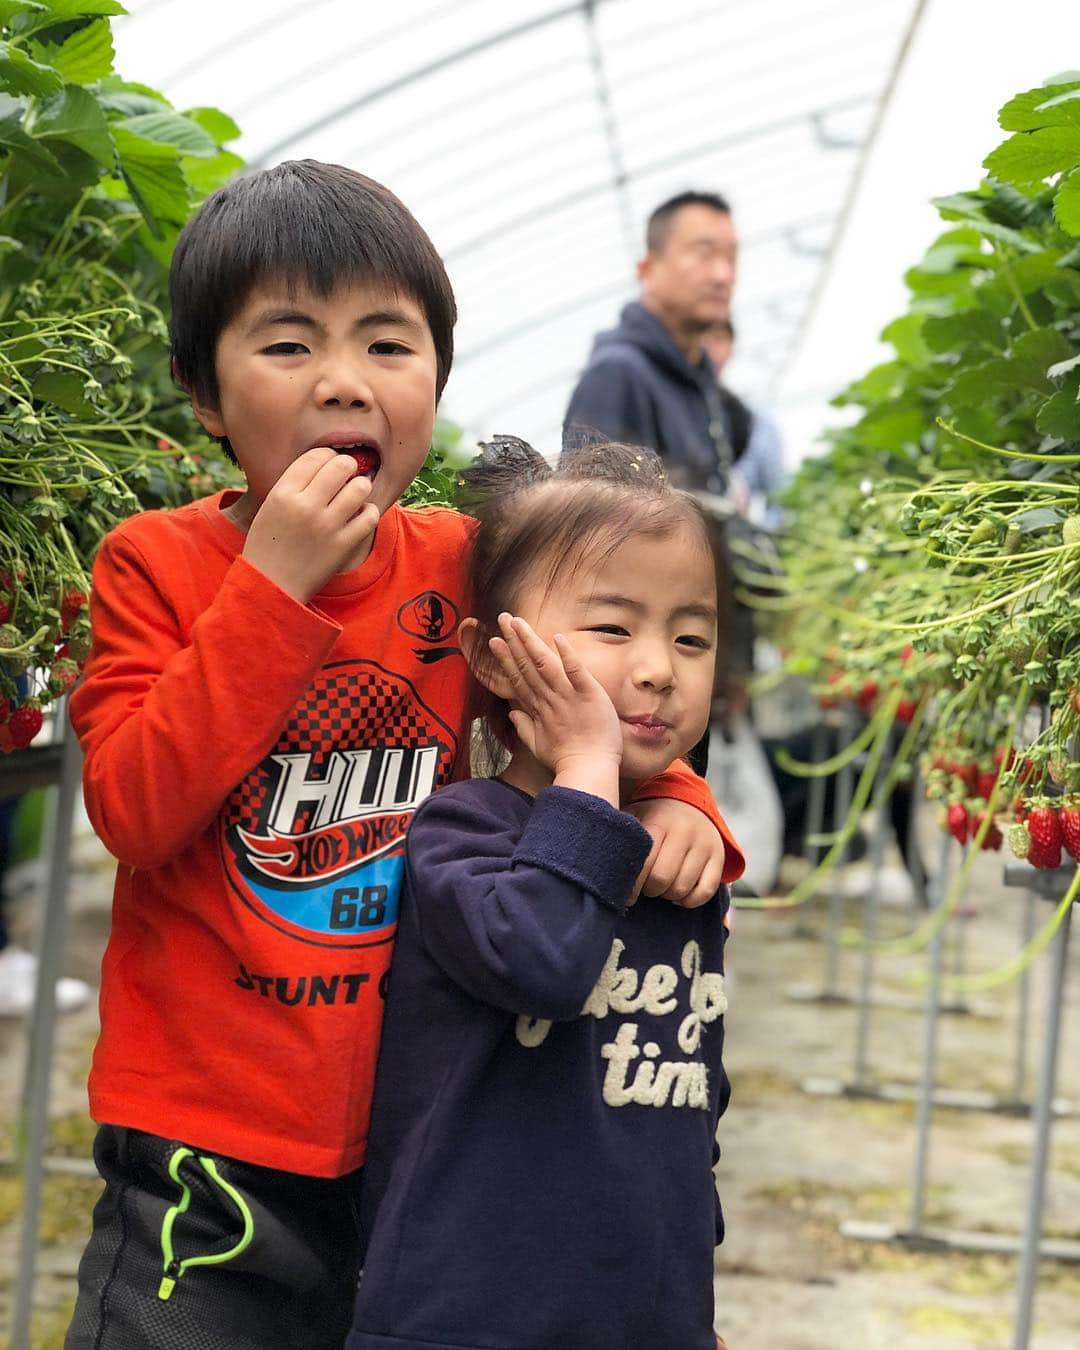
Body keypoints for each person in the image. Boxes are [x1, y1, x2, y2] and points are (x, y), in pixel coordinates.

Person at [64, 163, 745, 1350]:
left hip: (416, 1133)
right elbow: (133, 807)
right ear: (201, 393)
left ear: (436, 376)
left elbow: (604, 697)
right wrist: (273, 589)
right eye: (288, 346)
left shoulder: (465, 563)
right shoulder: (155, 566)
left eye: (389, 344)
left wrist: (682, 798)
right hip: (203, 1138)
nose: (344, 381)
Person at [347, 438, 732, 1350]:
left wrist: (692, 1279)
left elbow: (689, 1090)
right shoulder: (460, 834)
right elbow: (542, 961)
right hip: (465, 1317)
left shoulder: (683, 857)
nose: (658, 667)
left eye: (692, 636)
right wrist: (591, 764)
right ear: (492, 658)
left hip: (644, 1316)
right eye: (613, 627)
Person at [562, 189, 748, 492]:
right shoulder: (617, 375)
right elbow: (596, 525)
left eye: (731, 258)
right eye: (704, 253)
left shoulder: (699, 381)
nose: (722, 274)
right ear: (647, 269)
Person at [700, 317, 785, 530]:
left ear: (731, 348)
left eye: (719, 339)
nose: (709, 348)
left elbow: (779, 498)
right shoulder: (670, 410)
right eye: (704, 338)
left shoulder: (756, 420)